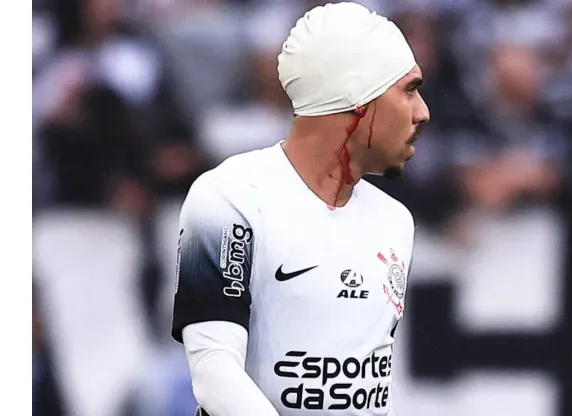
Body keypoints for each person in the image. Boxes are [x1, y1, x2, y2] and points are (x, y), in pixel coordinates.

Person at [170, 2, 430, 415]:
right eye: (409, 90)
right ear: (357, 95)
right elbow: (214, 374)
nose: (423, 112)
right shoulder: (229, 197)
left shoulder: (395, 220)